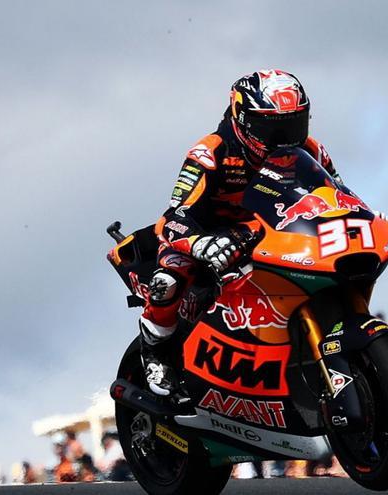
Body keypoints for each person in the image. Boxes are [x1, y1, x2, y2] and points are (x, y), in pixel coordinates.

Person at [136, 70, 345, 395]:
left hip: (270, 235)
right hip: (203, 237)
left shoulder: (310, 149)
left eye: (292, 125)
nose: (284, 138)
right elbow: (176, 213)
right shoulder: (210, 151)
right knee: (171, 278)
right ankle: (155, 351)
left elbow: (338, 194)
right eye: (272, 128)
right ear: (243, 121)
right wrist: (201, 243)